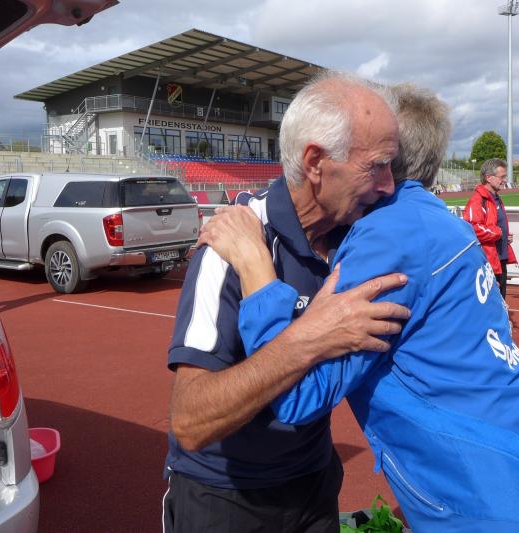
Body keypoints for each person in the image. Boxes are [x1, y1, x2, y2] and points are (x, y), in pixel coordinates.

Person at [201, 84, 519, 531]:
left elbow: (295, 396)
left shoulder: (390, 235)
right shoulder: (442, 222)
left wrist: (255, 265)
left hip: (497, 506)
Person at [163, 72, 410, 533]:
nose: (389, 185)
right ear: (315, 163)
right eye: (376, 166)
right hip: (225, 497)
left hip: (314, 482)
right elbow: (191, 421)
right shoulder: (234, 245)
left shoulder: (359, 236)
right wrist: (311, 337)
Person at [463, 158, 517, 298]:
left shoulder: (496, 198)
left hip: (500, 260)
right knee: (491, 302)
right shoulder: (478, 200)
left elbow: (494, 225)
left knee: (501, 301)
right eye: (502, 177)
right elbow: (473, 228)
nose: (504, 180)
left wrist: (505, 236)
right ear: (488, 178)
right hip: (488, 262)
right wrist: (498, 233)